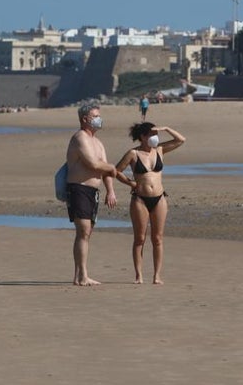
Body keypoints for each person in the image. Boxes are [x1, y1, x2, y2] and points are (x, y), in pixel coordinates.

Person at [114, 122, 186, 285]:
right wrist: (130, 183)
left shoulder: (159, 149)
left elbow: (181, 140)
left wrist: (166, 128)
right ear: (142, 137)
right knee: (140, 238)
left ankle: (157, 275)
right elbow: (116, 171)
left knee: (158, 238)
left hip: (159, 198)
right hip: (140, 199)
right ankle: (138, 275)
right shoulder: (133, 153)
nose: (155, 137)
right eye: (152, 134)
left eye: (156, 134)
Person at [64, 102, 118, 286]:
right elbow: (94, 165)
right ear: (85, 119)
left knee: (87, 233)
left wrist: (110, 190)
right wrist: (112, 167)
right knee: (83, 230)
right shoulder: (80, 138)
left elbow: (105, 170)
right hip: (78, 188)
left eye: (99, 115)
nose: (98, 119)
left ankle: (79, 274)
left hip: (93, 191)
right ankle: (82, 276)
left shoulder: (98, 142)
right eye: (95, 116)